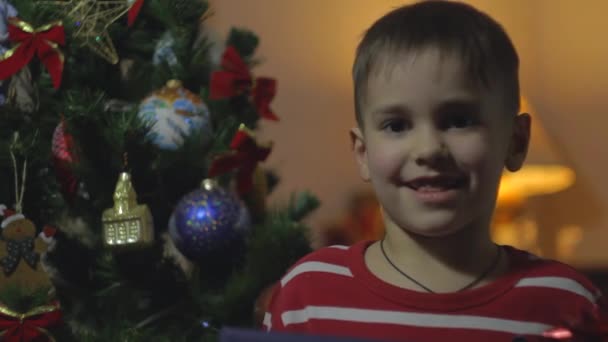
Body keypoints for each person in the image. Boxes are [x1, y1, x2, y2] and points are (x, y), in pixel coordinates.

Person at [263, 1, 607, 341]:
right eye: (397, 125)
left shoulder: (567, 302)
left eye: (458, 121)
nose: (428, 149)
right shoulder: (308, 295)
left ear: (516, 142)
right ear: (363, 152)